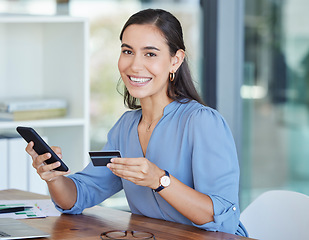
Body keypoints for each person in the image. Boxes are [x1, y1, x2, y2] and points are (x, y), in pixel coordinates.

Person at [26, 8, 248, 237]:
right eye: (127, 51)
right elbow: (78, 196)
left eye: (150, 54)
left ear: (176, 60)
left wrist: (159, 179)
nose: (134, 65)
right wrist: (53, 177)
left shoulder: (202, 122)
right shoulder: (126, 127)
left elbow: (222, 219)